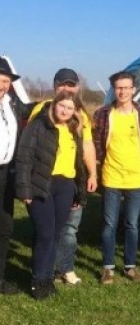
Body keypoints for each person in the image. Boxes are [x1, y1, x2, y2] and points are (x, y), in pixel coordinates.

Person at [27, 68, 97, 285]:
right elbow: (29, 143)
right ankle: (42, 272)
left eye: (71, 84)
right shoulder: (42, 108)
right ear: (55, 86)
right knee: (45, 229)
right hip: (45, 179)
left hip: (72, 179)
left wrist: (92, 174)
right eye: (63, 84)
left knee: (69, 227)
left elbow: (87, 145)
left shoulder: (81, 114)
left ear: (77, 87)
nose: (67, 88)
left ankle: (65, 268)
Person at [15, 92, 87, 299]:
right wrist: (24, 189)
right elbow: (24, 157)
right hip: (42, 185)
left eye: (70, 108)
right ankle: (38, 280)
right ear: (54, 105)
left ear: (75, 112)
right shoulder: (38, 126)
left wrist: (79, 194)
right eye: (62, 106)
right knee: (45, 234)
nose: (65, 111)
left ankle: (47, 279)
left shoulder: (73, 130)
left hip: (65, 187)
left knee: (55, 234)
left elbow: (78, 164)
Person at [93, 71, 140, 284]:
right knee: (109, 224)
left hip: (135, 177)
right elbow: (97, 144)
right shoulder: (103, 114)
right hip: (111, 175)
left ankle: (130, 266)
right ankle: (108, 268)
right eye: (119, 87)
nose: (123, 91)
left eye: (127, 87)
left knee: (132, 224)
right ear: (114, 89)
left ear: (133, 89)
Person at [0, 57, 28, 294]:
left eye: (5, 81)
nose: (2, 85)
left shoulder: (13, 104)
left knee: (5, 227)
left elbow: (36, 110)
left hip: (6, 173)